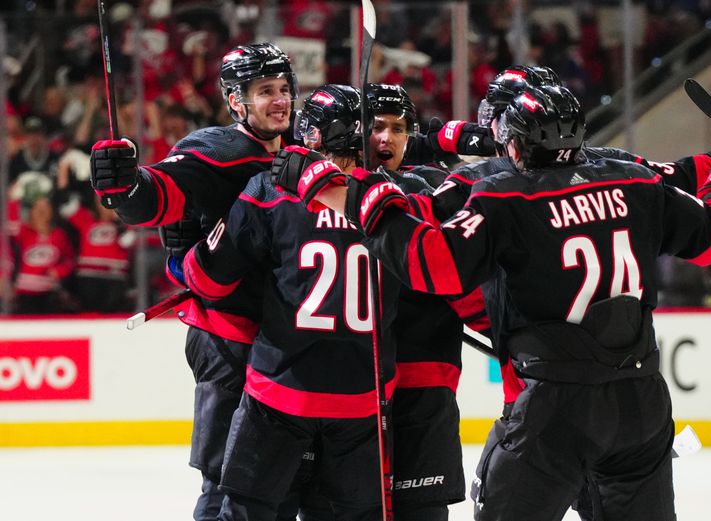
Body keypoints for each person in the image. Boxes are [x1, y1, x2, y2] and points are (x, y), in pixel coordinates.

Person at [274, 83, 711, 521]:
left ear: (513, 144)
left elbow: (435, 265)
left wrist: (359, 197)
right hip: (641, 403)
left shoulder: (502, 195)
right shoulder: (634, 181)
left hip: (553, 407)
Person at [89, 43, 329, 521]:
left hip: (279, 345)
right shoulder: (215, 150)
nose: (280, 100)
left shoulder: (302, 155)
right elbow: (155, 196)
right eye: (265, 92)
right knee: (229, 484)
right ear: (236, 101)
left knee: (279, 485)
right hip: (227, 340)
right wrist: (125, 185)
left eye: (285, 89)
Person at [181, 83, 402, 521]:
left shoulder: (271, 190)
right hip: (362, 396)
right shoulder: (399, 198)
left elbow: (208, 278)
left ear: (312, 136)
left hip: (282, 393)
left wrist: (191, 244)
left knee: (245, 512)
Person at [363, 83, 490, 521]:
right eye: (376, 127)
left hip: (426, 376)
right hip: (350, 383)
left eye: (398, 129)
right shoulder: (324, 188)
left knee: (422, 510)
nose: (387, 138)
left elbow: (465, 279)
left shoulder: (437, 188)